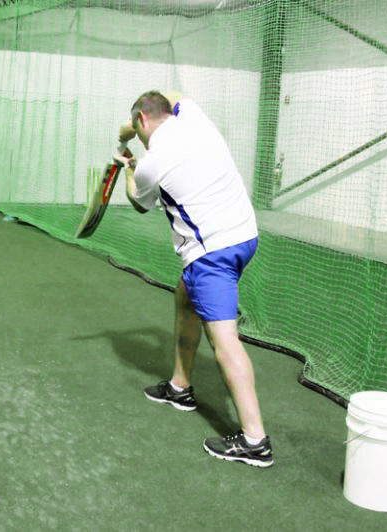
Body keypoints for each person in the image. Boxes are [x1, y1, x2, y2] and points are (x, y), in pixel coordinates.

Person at [116, 90, 272, 467]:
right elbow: (172, 96)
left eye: (137, 126)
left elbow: (139, 202)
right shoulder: (194, 116)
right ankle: (180, 386)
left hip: (212, 254)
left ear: (142, 120)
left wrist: (127, 166)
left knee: (224, 341)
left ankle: (255, 440)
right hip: (245, 235)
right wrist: (127, 130)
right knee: (185, 296)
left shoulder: (152, 163)